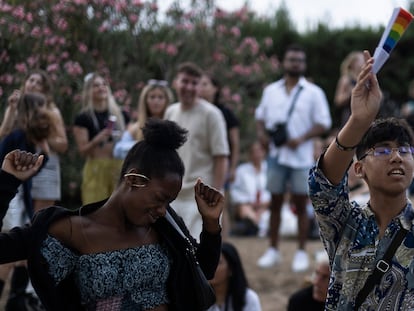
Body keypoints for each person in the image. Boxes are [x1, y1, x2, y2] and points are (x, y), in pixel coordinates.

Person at [0, 119, 224, 310]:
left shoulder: (165, 226)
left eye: (169, 202)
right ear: (134, 179)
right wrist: (7, 182)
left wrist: (211, 224)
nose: (163, 210)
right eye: (159, 198)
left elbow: (203, 272)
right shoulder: (67, 230)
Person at [309, 50, 414, 309]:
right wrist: (359, 120)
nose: (396, 157)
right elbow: (322, 185)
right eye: (382, 149)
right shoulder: (347, 223)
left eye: (404, 149)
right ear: (359, 169)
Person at [255, 44, 332, 272]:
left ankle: (300, 252)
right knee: (275, 203)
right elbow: (260, 117)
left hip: (300, 156)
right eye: (291, 59)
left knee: (301, 204)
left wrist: (302, 138)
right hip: (276, 154)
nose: (295, 63)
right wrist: (262, 136)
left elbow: (324, 122)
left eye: (299, 60)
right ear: (284, 62)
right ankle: (273, 250)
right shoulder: (270, 91)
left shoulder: (313, 92)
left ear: (304, 64)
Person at [164, 62, 229, 239]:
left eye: (194, 83)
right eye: (185, 81)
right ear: (176, 83)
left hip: (200, 197)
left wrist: (214, 193)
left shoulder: (212, 114)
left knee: (199, 253)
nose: (189, 87)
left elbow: (221, 157)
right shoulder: (170, 112)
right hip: (173, 195)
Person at [0, 92, 51, 308]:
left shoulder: (33, 137)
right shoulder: (17, 135)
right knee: (6, 245)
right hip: (11, 197)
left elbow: (40, 164)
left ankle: (17, 298)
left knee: (18, 246)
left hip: (19, 194)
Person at [0, 69, 68, 213]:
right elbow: (3, 133)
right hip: (18, 164)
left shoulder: (51, 111)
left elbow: (63, 144)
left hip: (45, 164)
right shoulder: (16, 107)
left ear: (44, 88)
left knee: (40, 218)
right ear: (25, 83)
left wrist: (40, 135)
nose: (34, 84)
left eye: (39, 82)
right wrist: (12, 109)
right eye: (31, 80)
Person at [73, 72, 127, 205]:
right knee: (95, 211)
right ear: (88, 91)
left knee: (121, 210)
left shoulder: (122, 115)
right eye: (95, 85)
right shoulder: (83, 118)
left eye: (104, 84)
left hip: (119, 167)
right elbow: (82, 150)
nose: (101, 87)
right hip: (96, 168)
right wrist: (97, 140)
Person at [199, 73, 240, 239]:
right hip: (201, 164)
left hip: (221, 164)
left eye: (206, 84)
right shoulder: (195, 111)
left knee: (221, 202)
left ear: (215, 89)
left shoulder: (225, 113)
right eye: (199, 84)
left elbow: (234, 142)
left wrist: (233, 167)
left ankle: (224, 241)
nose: (202, 88)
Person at [113, 79, 173, 159]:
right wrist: (143, 146)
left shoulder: (172, 126)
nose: (156, 101)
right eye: (152, 97)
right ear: (145, 100)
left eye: (160, 97)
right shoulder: (137, 128)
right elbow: (118, 150)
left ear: (167, 101)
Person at [229, 141, 271, 237]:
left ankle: (256, 227)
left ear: (264, 152)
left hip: (266, 206)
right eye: (254, 151)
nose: (257, 154)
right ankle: (258, 227)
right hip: (247, 206)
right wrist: (248, 202)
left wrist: (264, 204)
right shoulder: (241, 170)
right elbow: (234, 192)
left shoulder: (269, 169)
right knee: (245, 210)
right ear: (250, 154)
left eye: (259, 151)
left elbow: (274, 191)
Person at [207, 242, 262, 311]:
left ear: (231, 268)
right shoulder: (199, 299)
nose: (211, 267)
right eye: (209, 262)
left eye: (218, 263)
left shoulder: (248, 298)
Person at [333, 51, 364, 128]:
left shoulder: (364, 78)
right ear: (353, 63)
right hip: (349, 117)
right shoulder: (346, 79)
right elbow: (338, 100)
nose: (365, 62)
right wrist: (351, 93)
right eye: (361, 60)